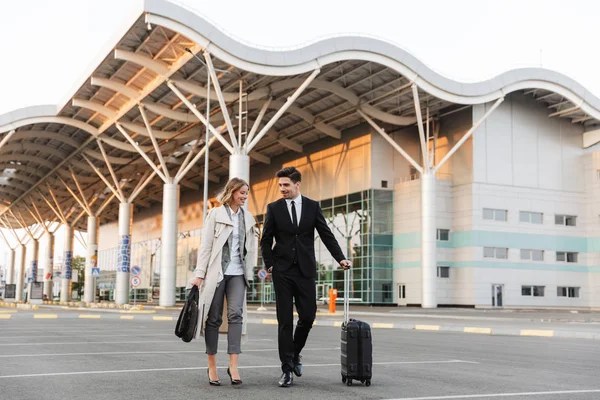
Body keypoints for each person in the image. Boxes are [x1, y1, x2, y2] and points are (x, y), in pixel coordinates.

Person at [260, 166, 351, 387]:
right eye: (280, 185)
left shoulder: (312, 207)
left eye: (286, 185)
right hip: (282, 271)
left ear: (297, 184)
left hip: (305, 270)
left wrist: (340, 258)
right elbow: (265, 240)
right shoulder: (274, 208)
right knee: (284, 322)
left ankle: (294, 353)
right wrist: (270, 265)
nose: (282, 189)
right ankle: (287, 369)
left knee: (308, 316)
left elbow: (326, 234)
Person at [190, 177, 258, 386]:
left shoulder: (248, 218)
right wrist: (199, 274)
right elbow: (206, 246)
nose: (245, 197)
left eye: (247, 193)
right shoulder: (216, 214)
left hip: (238, 273)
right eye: (242, 193)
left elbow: (252, 248)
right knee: (213, 317)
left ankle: (234, 365)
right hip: (216, 272)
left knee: (236, 315)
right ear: (232, 192)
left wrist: (251, 271)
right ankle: (212, 365)